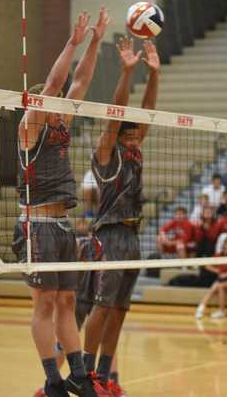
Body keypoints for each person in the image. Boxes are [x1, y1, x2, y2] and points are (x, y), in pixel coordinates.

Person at [11, 7, 110, 396]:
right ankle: (53, 382)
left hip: (64, 227)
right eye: (52, 102)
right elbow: (55, 83)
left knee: (68, 300)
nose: (60, 104)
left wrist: (96, 42)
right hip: (36, 226)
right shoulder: (30, 129)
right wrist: (72, 41)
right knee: (46, 305)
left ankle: (79, 376)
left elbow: (81, 80)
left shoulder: (61, 126)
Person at [75, 36, 159, 395]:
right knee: (101, 306)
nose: (137, 138)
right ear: (119, 135)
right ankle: (87, 374)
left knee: (120, 310)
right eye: (131, 134)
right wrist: (126, 72)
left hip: (132, 236)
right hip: (107, 235)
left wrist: (154, 74)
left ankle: (106, 377)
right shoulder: (107, 151)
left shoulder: (136, 151)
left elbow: (148, 108)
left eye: (138, 134)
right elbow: (117, 110)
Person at [195, 236, 227, 318]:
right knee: (213, 289)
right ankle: (200, 310)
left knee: (221, 286)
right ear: (225, 245)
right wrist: (218, 271)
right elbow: (208, 266)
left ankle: (221, 311)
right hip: (221, 278)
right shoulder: (220, 255)